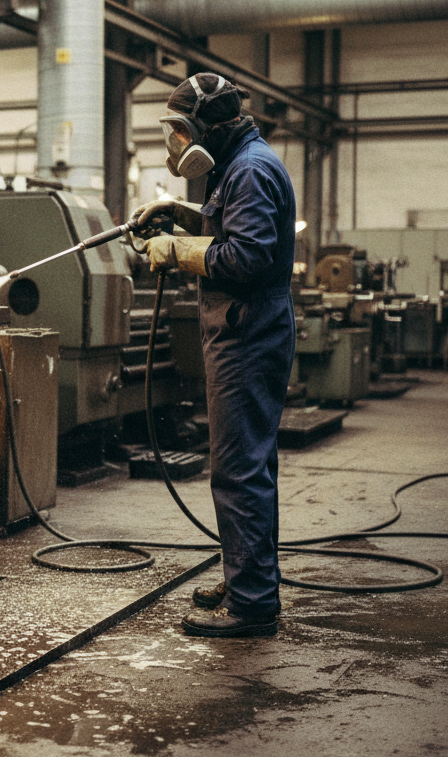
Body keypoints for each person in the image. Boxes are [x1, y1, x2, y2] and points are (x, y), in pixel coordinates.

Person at [132, 73, 297, 638]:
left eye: (179, 131)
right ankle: (247, 574)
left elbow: (249, 257)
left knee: (237, 469)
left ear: (205, 128)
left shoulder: (249, 169)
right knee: (248, 463)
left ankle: (252, 602)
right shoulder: (239, 163)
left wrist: (177, 250)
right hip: (244, 329)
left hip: (247, 333)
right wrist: (183, 216)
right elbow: (230, 230)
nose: (174, 144)